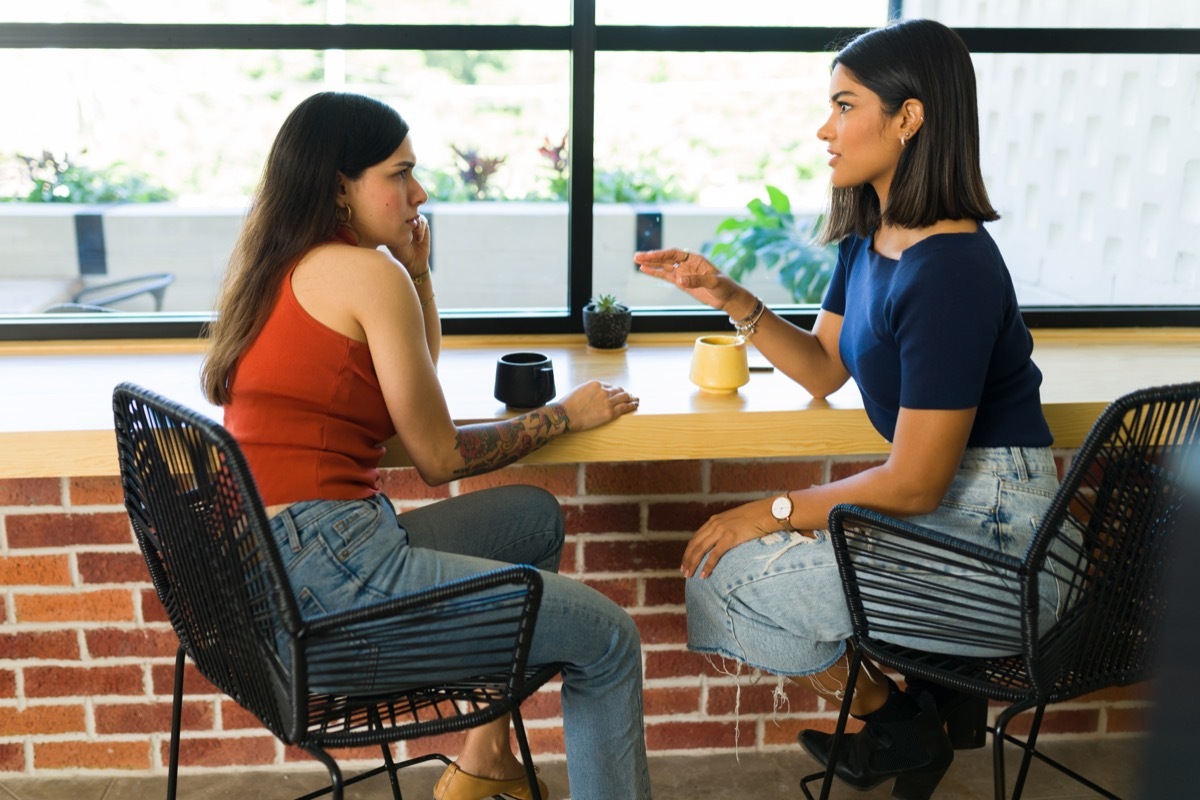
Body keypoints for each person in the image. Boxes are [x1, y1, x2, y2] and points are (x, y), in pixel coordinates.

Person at [635, 19, 1062, 800]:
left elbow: (916, 483)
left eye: (843, 105)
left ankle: (904, 725)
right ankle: (909, 721)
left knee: (728, 578)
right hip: (947, 508)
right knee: (722, 571)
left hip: (1001, 537)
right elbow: (824, 369)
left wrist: (773, 510)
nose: (823, 129)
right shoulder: (872, 233)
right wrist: (729, 296)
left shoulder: (951, 269)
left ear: (908, 118)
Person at [201, 91, 652, 800]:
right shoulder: (360, 273)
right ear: (339, 187)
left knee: (530, 521)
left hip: (279, 568)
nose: (420, 190)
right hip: (330, 589)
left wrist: (415, 267)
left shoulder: (280, 267)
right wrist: (565, 416)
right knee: (608, 640)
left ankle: (485, 758)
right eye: (399, 172)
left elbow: (405, 394)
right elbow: (438, 457)